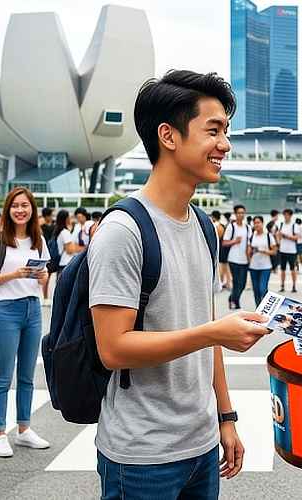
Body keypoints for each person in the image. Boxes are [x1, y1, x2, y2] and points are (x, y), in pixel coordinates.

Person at [89, 70, 270, 499]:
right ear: (168, 136)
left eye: (226, 131)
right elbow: (113, 349)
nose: (225, 144)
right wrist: (214, 332)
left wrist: (226, 417)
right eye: (213, 130)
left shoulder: (203, 226)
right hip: (142, 455)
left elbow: (204, 325)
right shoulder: (124, 231)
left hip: (202, 445)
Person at [0, 187, 52, 458]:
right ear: (8, 209)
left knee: (26, 376)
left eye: (25, 205)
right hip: (6, 310)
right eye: (15, 206)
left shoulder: (38, 239)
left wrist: (41, 275)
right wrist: (14, 274)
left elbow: (44, 276)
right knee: (3, 376)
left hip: (32, 309)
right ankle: (0, 432)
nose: (20, 210)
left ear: (32, 209)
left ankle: (24, 429)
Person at [223, 205, 250, 309]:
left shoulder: (247, 227)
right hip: (233, 258)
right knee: (236, 281)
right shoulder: (231, 227)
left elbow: (249, 244)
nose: (241, 215)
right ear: (235, 214)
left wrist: (249, 258)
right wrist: (235, 241)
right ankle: (236, 302)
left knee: (242, 284)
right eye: (239, 213)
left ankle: (232, 298)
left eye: (243, 212)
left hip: (244, 259)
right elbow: (224, 242)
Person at [247, 215, 276, 306]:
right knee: (256, 290)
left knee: (262, 289)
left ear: (262, 223)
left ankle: (266, 306)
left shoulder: (268, 236)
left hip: (266, 266)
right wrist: (250, 253)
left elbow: (274, 251)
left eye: (258, 222)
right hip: (253, 267)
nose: (256, 224)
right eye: (255, 223)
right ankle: (258, 309)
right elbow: (248, 251)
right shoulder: (252, 236)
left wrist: (264, 251)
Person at [275, 208, 300, 293]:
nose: (286, 216)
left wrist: (286, 236)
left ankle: (294, 286)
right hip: (282, 250)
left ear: (290, 216)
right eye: (284, 215)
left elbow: (297, 237)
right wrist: (278, 242)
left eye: (287, 215)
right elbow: (277, 235)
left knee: (293, 269)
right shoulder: (281, 225)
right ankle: (282, 286)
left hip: (292, 251)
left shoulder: (294, 226)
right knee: (282, 269)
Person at [213, 210, 231, 290]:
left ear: (213, 217)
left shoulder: (216, 226)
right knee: (226, 266)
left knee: (221, 266)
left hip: (220, 248)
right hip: (225, 248)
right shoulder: (222, 225)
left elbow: (216, 239)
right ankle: (227, 282)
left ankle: (222, 282)